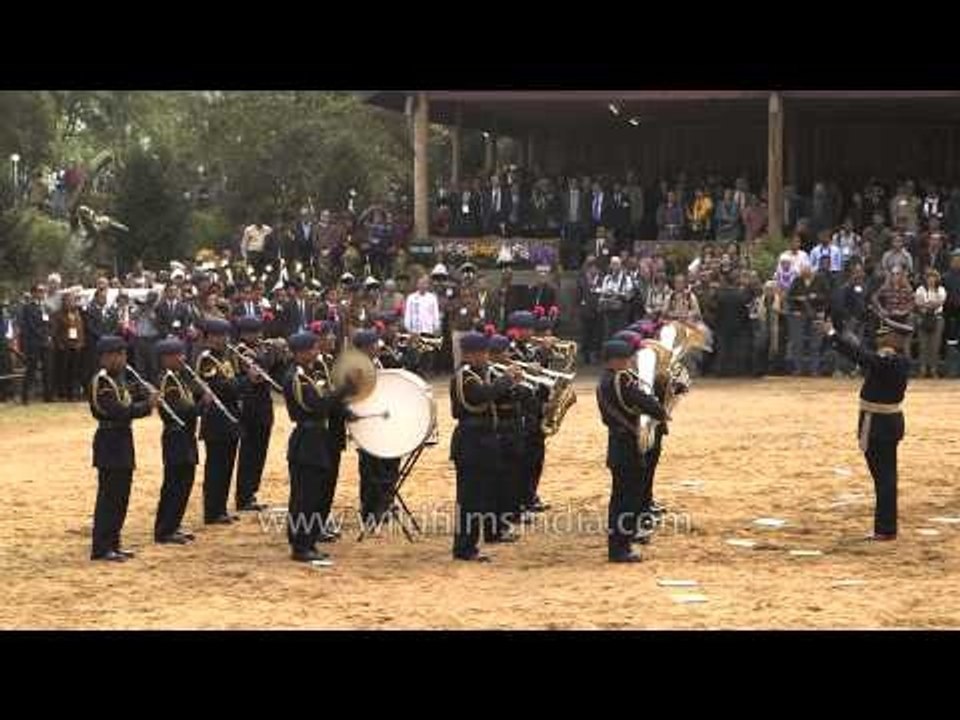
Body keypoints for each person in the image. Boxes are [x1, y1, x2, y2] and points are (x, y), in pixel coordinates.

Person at [824, 316, 911, 541]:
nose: (881, 338)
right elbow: (866, 355)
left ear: (895, 338)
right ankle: (886, 527)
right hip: (887, 422)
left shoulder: (889, 361)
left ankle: (885, 529)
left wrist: (834, 336)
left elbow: (862, 357)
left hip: (878, 424)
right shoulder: (895, 360)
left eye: (885, 335)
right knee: (886, 476)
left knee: (883, 477)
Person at [283, 331, 355, 562]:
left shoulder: (310, 373)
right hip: (307, 437)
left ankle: (308, 540)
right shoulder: (297, 378)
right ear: (300, 352)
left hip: (317, 437)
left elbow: (327, 403)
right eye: (312, 349)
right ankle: (301, 546)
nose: (316, 352)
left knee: (317, 494)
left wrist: (346, 412)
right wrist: (343, 390)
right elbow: (317, 405)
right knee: (305, 496)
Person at [450, 331, 521, 562]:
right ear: (470, 354)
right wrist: (505, 380)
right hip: (472, 440)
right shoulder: (465, 377)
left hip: (485, 440)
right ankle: (464, 548)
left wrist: (513, 385)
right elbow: (480, 396)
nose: (487, 357)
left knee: (482, 496)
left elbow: (495, 398)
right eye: (483, 352)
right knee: (469, 498)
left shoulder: (480, 373)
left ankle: (474, 542)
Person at [595, 339, 669, 563]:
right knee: (626, 498)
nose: (630, 362)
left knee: (624, 496)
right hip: (627, 444)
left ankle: (623, 542)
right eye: (627, 358)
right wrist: (662, 401)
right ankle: (619, 548)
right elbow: (649, 405)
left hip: (620, 443)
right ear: (616, 360)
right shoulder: (621, 379)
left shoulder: (608, 380)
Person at [88, 335, 158, 561]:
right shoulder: (102, 382)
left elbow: (132, 398)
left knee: (121, 495)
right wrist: (147, 405)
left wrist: (146, 392)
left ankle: (114, 543)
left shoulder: (120, 380)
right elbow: (119, 410)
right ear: (107, 357)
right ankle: (101, 546)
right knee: (109, 495)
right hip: (109, 439)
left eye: (124, 354)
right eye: (119, 355)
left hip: (122, 437)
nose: (123, 359)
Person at [154, 338, 205, 544]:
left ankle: (173, 524)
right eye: (177, 355)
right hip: (176, 435)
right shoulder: (167, 381)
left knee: (185, 482)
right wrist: (203, 404)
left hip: (185, 435)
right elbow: (182, 410)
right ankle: (165, 529)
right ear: (166, 358)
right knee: (175, 483)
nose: (183, 358)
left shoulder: (178, 378)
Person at [352, 329, 402, 528]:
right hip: (367, 423)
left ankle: (385, 502)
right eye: (374, 345)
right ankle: (370, 509)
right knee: (372, 468)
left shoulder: (377, 362)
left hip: (382, 421)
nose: (378, 347)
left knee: (388, 464)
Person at [196, 318, 242, 525]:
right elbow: (220, 387)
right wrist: (243, 382)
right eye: (218, 336)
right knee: (216, 466)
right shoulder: (207, 359)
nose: (223, 339)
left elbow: (231, 384)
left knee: (227, 464)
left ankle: (220, 507)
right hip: (216, 417)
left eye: (224, 335)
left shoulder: (225, 358)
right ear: (208, 338)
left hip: (230, 415)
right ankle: (212, 510)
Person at [233, 316, 275, 512]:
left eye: (259, 332)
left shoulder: (259, 348)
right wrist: (267, 353)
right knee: (250, 452)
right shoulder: (241, 350)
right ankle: (244, 495)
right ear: (244, 334)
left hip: (264, 403)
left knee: (260, 451)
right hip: (251, 405)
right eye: (254, 332)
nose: (259, 336)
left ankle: (251, 492)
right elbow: (258, 373)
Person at [52, 291, 86, 401]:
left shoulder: (77, 313)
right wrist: (59, 343)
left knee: (74, 370)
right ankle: (62, 393)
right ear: (63, 302)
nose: (70, 303)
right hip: (64, 346)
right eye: (68, 301)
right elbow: (55, 331)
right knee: (63, 370)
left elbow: (80, 329)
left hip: (76, 346)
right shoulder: (58, 314)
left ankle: (72, 394)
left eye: (72, 301)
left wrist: (81, 342)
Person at [914, 269, 946, 378]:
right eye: (929, 277)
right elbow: (918, 303)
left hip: (937, 318)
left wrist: (926, 304)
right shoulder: (920, 289)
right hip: (923, 318)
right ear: (926, 279)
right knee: (923, 345)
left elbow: (940, 302)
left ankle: (933, 369)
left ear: (937, 278)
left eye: (933, 277)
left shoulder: (941, 289)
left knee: (935, 345)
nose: (931, 279)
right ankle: (922, 369)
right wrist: (930, 304)